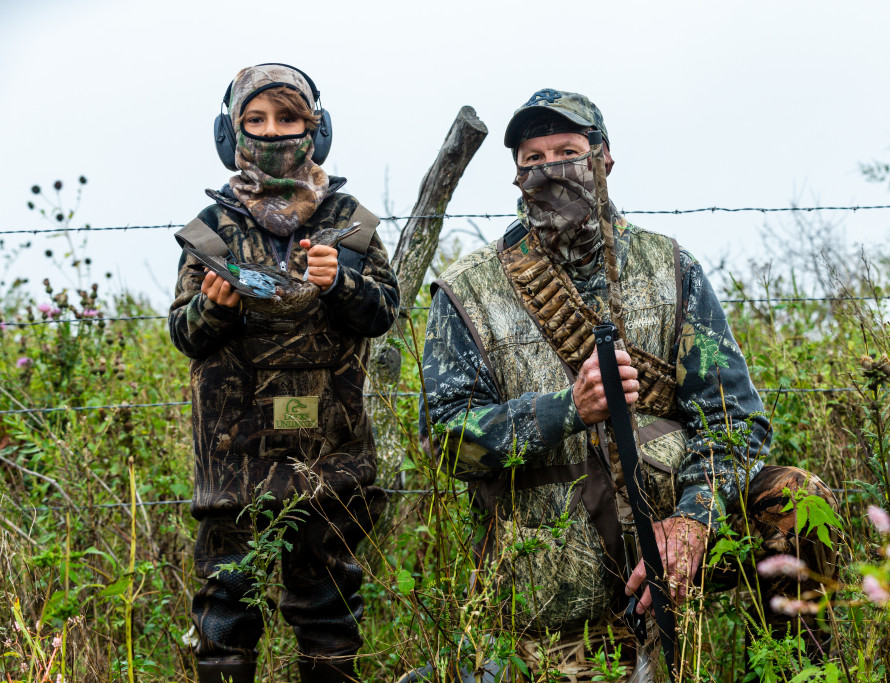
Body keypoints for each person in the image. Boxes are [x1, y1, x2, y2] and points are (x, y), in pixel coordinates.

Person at [418, 89, 838, 681]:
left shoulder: (670, 269)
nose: (551, 169)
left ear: (605, 159)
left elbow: (734, 420)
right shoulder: (470, 291)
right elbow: (444, 441)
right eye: (533, 159)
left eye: (568, 151)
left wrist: (693, 519)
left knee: (798, 501)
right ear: (515, 175)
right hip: (555, 578)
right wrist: (566, 409)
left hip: (669, 541)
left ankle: (791, 672)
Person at [168, 63, 399, 683]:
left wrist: (342, 282)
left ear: (316, 131)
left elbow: (383, 315)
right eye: (256, 121)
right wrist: (212, 309)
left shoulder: (351, 224)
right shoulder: (210, 232)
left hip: (332, 461)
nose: (273, 134)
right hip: (233, 464)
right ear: (231, 134)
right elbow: (184, 336)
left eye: (289, 119)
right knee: (226, 610)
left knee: (328, 610)